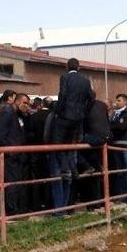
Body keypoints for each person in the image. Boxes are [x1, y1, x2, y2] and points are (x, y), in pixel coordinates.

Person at [51, 58, 93, 201]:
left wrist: (59, 111)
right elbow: (91, 97)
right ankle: (73, 170)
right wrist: (84, 112)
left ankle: (65, 170)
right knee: (71, 145)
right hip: (78, 118)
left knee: (58, 144)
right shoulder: (85, 81)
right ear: (79, 67)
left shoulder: (65, 77)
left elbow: (62, 95)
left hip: (65, 116)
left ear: (66, 66)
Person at [0, 93, 29, 215]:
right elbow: (1, 134)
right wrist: (9, 150)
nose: (26, 106)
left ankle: (16, 207)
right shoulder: (7, 112)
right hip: (11, 154)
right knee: (12, 183)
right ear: (17, 101)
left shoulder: (17, 114)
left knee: (17, 183)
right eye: (24, 103)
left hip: (17, 154)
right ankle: (11, 209)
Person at [109, 94, 127, 204]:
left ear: (125, 102)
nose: (116, 102)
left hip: (126, 144)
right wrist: (115, 126)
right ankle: (124, 195)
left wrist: (114, 126)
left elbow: (122, 127)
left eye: (119, 100)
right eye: (116, 100)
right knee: (120, 171)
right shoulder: (115, 114)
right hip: (116, 145)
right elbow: (112, 126)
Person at [27, 97, 52, 211]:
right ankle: (49, 203)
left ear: (42, 104)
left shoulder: (34, 117)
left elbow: (30, 134)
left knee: (36, 178)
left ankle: (36, 204)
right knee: (49, 178)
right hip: (50, 151)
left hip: (36, 151)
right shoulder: (53, 117)